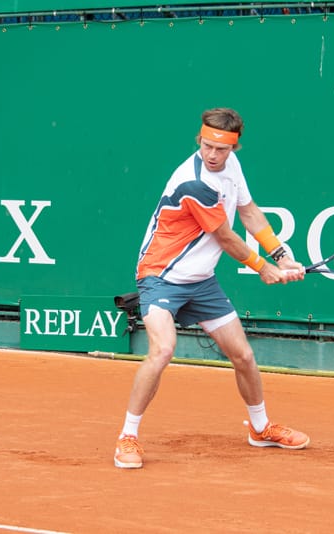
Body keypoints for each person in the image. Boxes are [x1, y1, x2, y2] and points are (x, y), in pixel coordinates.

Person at [114, 107, 310, 469]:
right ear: (199, 140)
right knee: (163, 350)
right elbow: (226, 237)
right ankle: (128, 436)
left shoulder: (231, 166)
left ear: (234, 148)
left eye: (221, 149)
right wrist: (264, 268)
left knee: (243, 356)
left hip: (201, 280)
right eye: (207, 146)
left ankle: (261, 428)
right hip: (161, 275)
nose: (213, 155)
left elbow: (249, 212)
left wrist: (281, 255)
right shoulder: (194, 183)